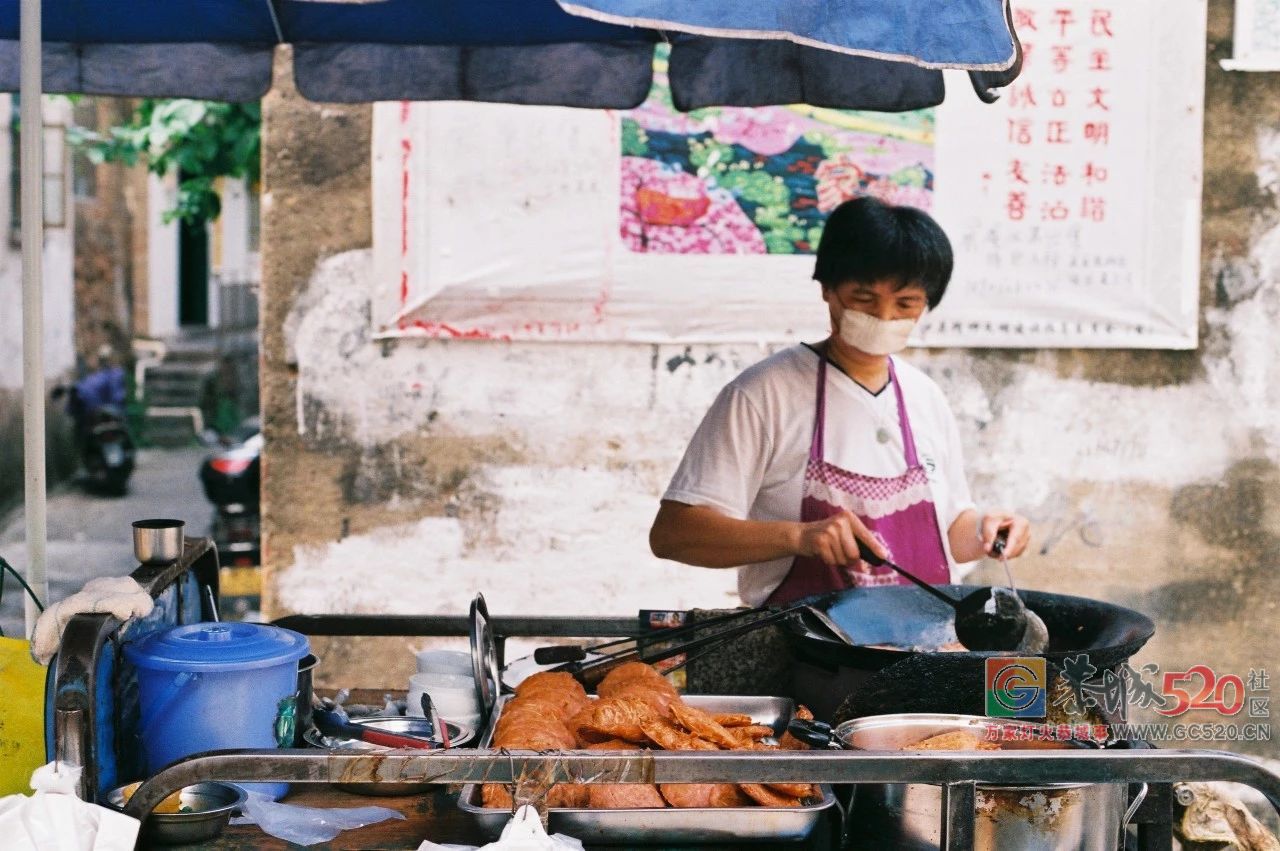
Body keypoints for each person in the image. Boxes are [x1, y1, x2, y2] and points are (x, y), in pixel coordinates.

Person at [649, 197, 1031, 606]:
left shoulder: (926, 397)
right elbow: (675, 534)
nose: (884, 317)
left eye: (905, 304)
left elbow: (952, 535)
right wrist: (798, 537)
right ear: (827, 289)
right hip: (807, 654)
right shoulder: (763, 394)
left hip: (926, 650)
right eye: (864, 299)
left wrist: (987, 534)